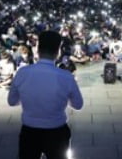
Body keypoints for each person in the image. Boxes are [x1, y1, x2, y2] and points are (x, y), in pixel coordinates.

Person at [8, 31, 83, 159]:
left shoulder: (22, 73)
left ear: (38, 50)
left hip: (29, 131)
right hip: (57, 131)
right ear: (58, 51)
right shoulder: (66, 76)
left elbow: (12, 101)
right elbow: (78, 105)